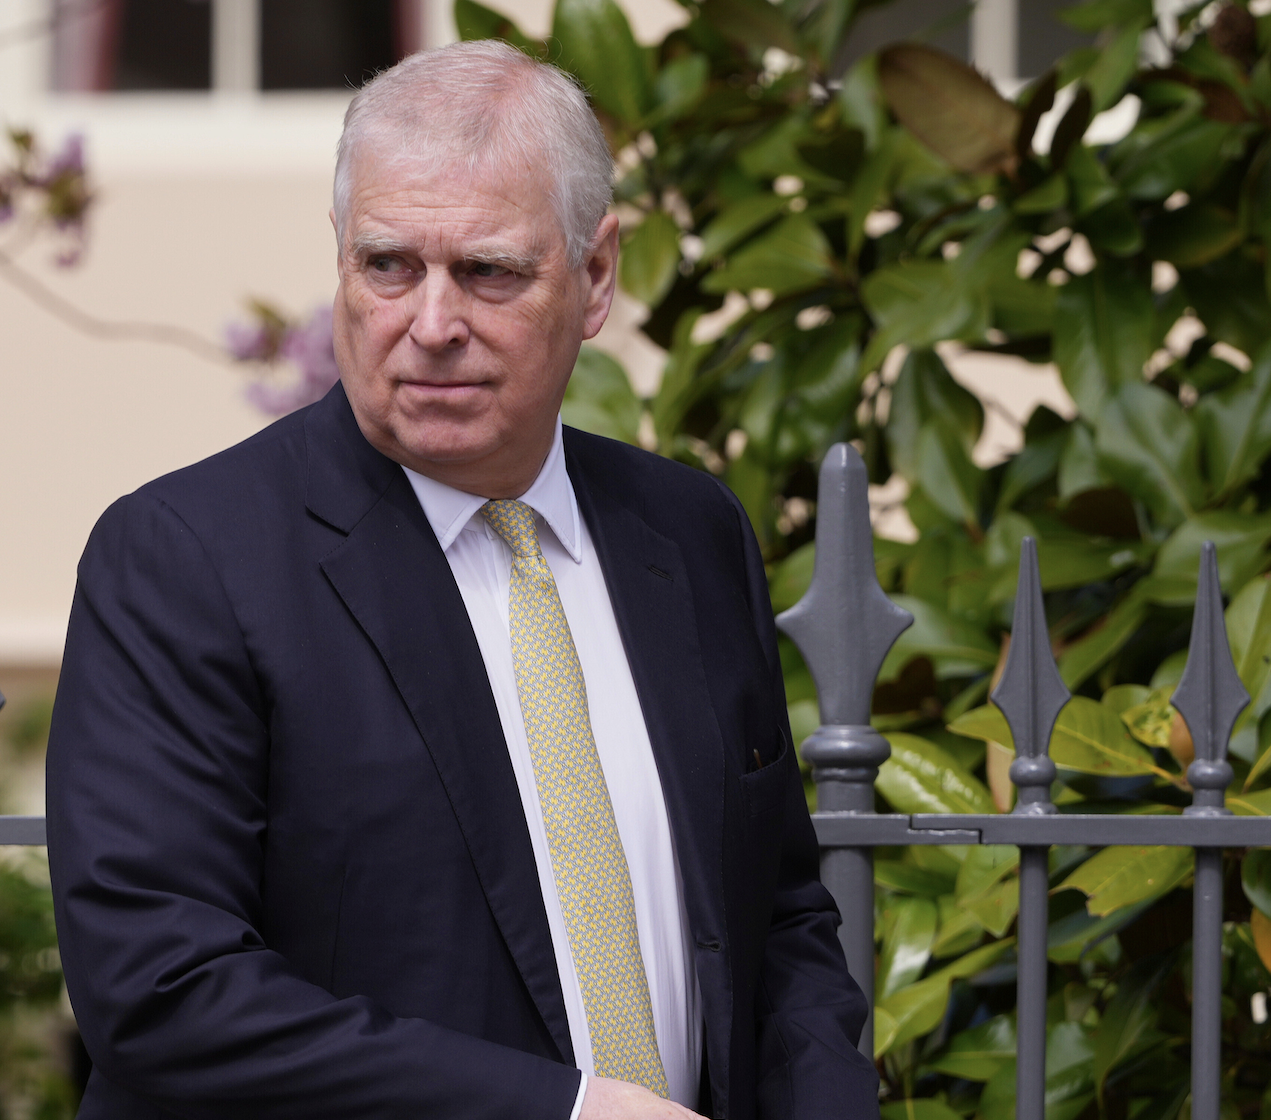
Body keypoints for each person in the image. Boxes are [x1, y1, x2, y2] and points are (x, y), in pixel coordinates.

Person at [46, 39, 877, 1120]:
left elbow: (776, 915)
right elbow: (161, 990)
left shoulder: (685, 531)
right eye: (387, 265)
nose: (430, 325)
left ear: (594, 277)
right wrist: (569, 1112)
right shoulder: (185, 559)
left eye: (488, 271)